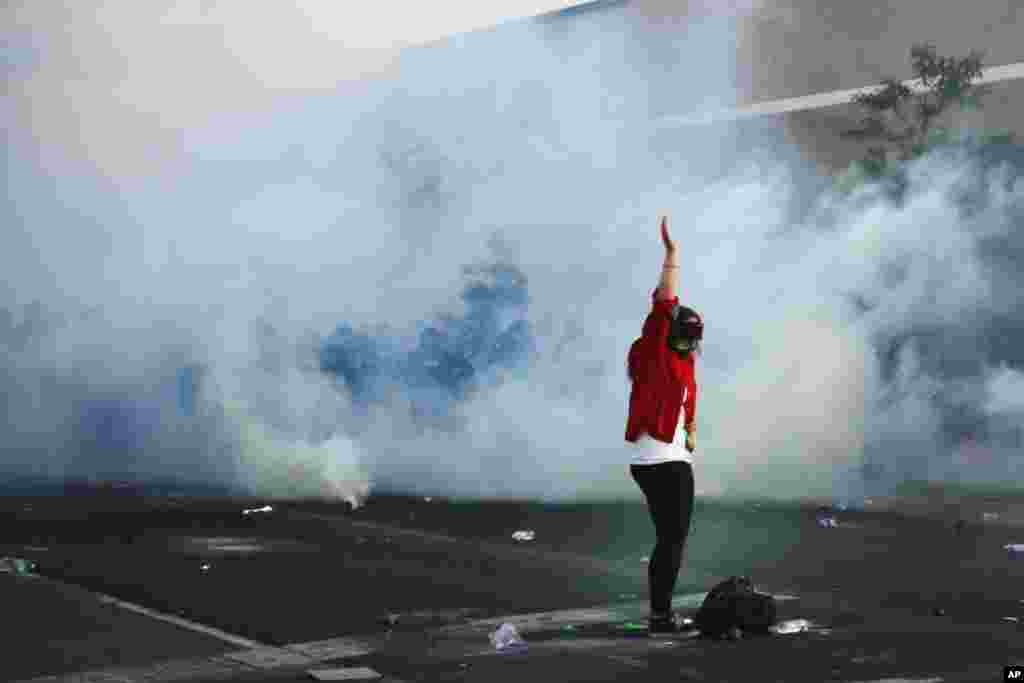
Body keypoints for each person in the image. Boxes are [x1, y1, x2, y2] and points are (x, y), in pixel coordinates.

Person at [625, 215, 703, 634]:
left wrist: (691, 433)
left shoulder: (680, 362)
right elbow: (663, 307)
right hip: (663, 461)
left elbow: (686, 405)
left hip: (660, 458)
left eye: (694, 338)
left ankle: (660, 612)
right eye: (684, 335)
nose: (689, 344)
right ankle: (660, 616)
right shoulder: (656, 351)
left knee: (668, 540)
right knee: (672, 541)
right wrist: (672, 257)